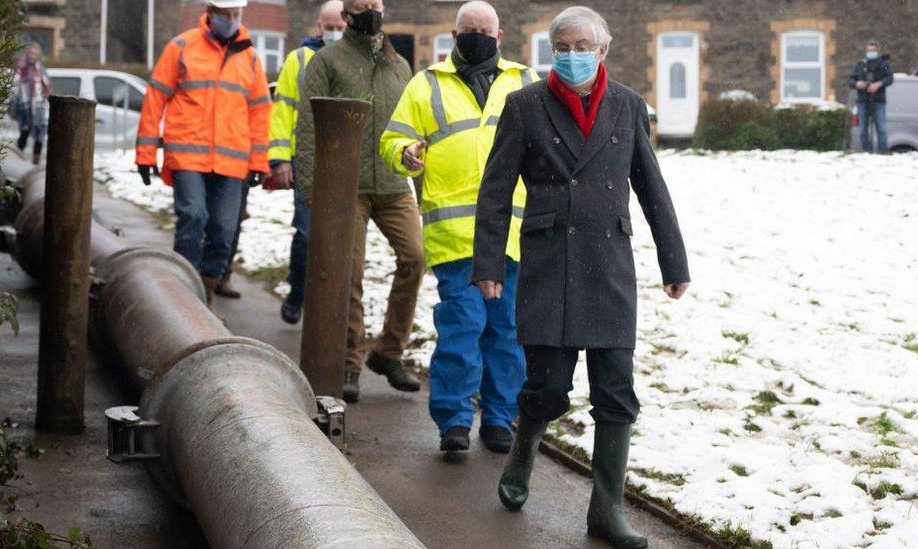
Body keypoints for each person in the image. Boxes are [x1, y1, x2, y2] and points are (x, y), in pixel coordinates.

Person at [471, 7, 690, 547]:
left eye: (581, 45)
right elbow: (495, 192)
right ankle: (522, 456)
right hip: (549, 266)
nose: (571, 56)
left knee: (616, 392)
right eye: (561, 47)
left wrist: (674, 262)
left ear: (603, 50)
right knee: (546, 386)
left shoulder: (628, 107)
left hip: (609, 267)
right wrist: (489, 266)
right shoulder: (524, 107)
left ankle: (606, 510)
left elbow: (652, 188)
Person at [380, 1, 536, 454]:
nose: (477, 36)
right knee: (463, 326)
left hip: (512, 234)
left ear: (499, 37)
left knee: (506, 329)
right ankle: (454, 420)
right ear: (454, 35)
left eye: (484, 30)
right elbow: (392, 139)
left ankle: (500, 419)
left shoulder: (525, 81)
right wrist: (405, 151)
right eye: (469, 30)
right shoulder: (426, 83)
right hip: (455, 235)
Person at [296, 0, 423, 403]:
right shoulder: (327, 62)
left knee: (415, 258)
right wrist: (311, 189)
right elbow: (307, 126)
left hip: (393, 183)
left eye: (375, 5)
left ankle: (388, 352)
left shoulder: (399, 65)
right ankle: (349, 364)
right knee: (350, 273)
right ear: (347, 15)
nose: (370, 11)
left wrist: (412, 156)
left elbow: (410, 124)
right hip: (344, 185)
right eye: (361, 6)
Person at [135, 0, 272, 317]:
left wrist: (258, 162)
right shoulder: (182, 46)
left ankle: (204, 294)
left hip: (232, 161)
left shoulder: (249, 57)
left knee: (224, 232)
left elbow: (260, 111)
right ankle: (182, 300)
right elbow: (156, 96)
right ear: (210, 14)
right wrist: (145, 153)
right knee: (193, 218)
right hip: (187, 155)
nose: (232, 21)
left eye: (237, 16)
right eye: (225, 16)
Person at [235, 0, 346, 318]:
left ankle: (325, 301)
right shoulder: (298, 59)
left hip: (344, 159)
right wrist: (280, 160)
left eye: (340, 28)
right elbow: (282, 111)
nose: (335, 33)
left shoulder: (356, 61)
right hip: (306, 157)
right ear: (318, 27)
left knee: (339, 236)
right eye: (329, 28)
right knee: (308, 231)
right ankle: (298, 292)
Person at [849, 40, 894, 154]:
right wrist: (857, 84)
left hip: (878, 100)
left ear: (877, 51)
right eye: (869, 50)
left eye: (873, 50)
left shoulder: (883, 64)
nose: (871, 52)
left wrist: (878, 84)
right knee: (862, 129)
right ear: (866, 51)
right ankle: (865, 152)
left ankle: (882, 153)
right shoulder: (860, 65)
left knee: (881, 128)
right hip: (863, 100)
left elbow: (890, 79)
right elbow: (850, 80)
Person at [12, 43, 52, 165]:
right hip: (24, 107)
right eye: (30, 53)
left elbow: (48, 87)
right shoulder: (22, 68)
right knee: (24, 133)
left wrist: (46, 94)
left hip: (39, 108)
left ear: (38, 55)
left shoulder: (41, 70)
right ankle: (17, 162)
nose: (32, 56)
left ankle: (35, 162)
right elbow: (15, 84)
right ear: (26, 53)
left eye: (35, 54)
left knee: (39, 135)